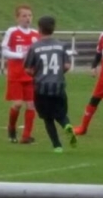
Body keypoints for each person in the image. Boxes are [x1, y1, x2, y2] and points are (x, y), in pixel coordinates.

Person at [24, 16, 78, 153]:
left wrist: (37, 75)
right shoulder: (61, 45)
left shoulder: (34, 47)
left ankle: (57, 146)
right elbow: (67, 65)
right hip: (58, 86)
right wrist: (59, 73)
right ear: (54, 28)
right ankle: (67, 126)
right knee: (61, 115)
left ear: (39, 29)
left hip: (41, 88)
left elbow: (28, 69)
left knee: (48, 119)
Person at [2, 5, 41, 144]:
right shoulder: (12, 31)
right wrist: (20, 55)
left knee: (31, 105)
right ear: (17, 18)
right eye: (24, 16)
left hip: (31, 75)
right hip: (16, 75)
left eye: (29, 15)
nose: (27, 18)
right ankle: (11, 127)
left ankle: (26, 136)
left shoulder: (36, 34)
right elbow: (4, 51)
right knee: (18, 104)